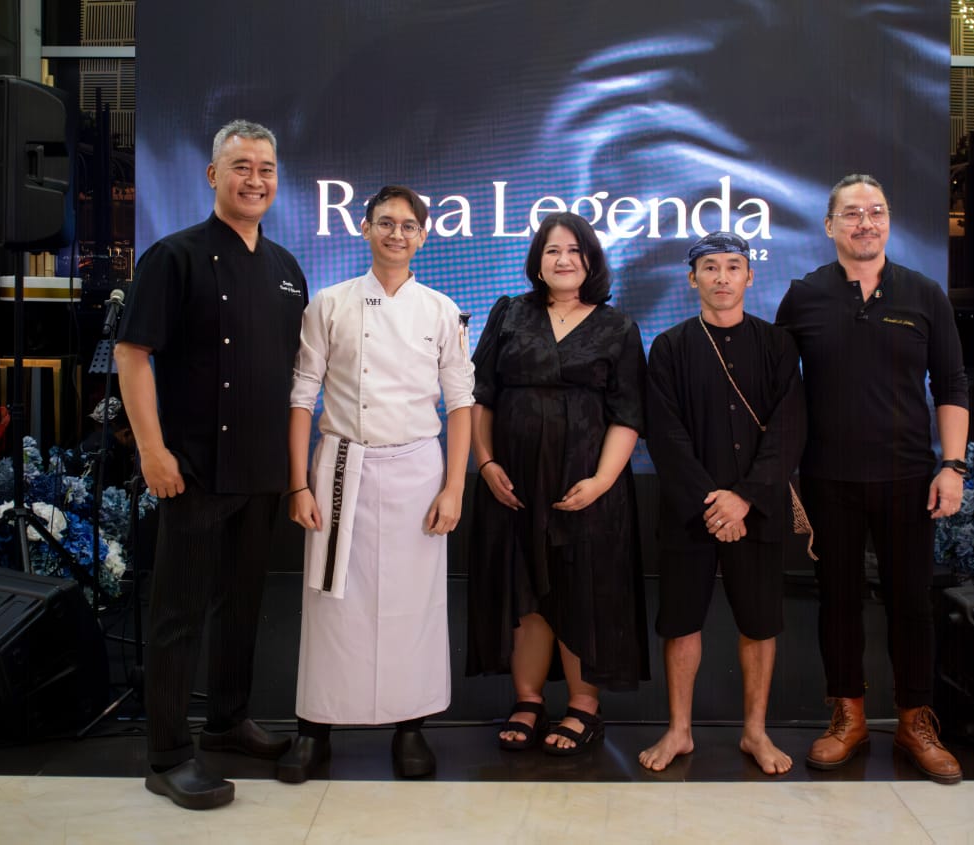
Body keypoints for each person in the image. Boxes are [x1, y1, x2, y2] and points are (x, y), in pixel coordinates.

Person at [115, 119, 307, 810]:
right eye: (241, 166)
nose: (255, 179)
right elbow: (132, 353)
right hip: (192, 468)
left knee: (242, 607)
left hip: (262, 470)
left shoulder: (286, 269)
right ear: (213, 175)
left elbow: (295, 375)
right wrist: (152, 450)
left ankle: (227, 721)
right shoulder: (175, 256)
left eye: (266, 168)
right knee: (178, 614)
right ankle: (167, 752)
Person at [775, 174, 970, 785]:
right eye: (853, 213)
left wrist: (952, 465)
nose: (866, 223)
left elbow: (953, 383)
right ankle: (848, 717)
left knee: (912, 603)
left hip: (909, 477)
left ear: (888, 222)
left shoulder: (924, 293)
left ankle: (915, 722)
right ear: (829, 225)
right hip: (827, 478)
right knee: (837, 601)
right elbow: (779, 389)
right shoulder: (803, 297)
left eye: (877, 212)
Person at [281, 185, 474, 783]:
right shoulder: (330, 304)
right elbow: (302, 398)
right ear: (364, 228)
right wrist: (297, 485)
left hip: (418, 471)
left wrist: (454, 487)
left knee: (414, 605)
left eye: (408, 225)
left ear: (423, 236)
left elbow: (461, 403)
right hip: (342, 468)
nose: (396, 234)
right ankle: (313, 730)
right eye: (385, 223)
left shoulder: (441, 310)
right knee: (330, 601)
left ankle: (410, 727)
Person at [466, 211, 648, 756]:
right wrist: (485, 463)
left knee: (581, 591)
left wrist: (602, 481)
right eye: (552, 250)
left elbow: (628, 413)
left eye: (574, 250)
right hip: (513, 485)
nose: (564, 259)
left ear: (591, 259)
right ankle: (528, 700)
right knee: (525, 590)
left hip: (587, 489)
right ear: (537, 262)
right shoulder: (509, 313)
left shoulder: (618, 326)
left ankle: (583, 707)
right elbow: (482, 395)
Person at [637, 232, 806, 775]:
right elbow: (665, 435)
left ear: (750, 276)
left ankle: (755, 732)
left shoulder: (777, 345)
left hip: (757, 509)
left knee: (760, 622)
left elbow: (789, 428)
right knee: (680, 621)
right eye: (710, 268)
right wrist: (713, 505)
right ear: (693, 279)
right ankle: (679, 730)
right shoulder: (669, 348)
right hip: (690, 512)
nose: (722, 277)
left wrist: (746, 498)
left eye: (733, 267)